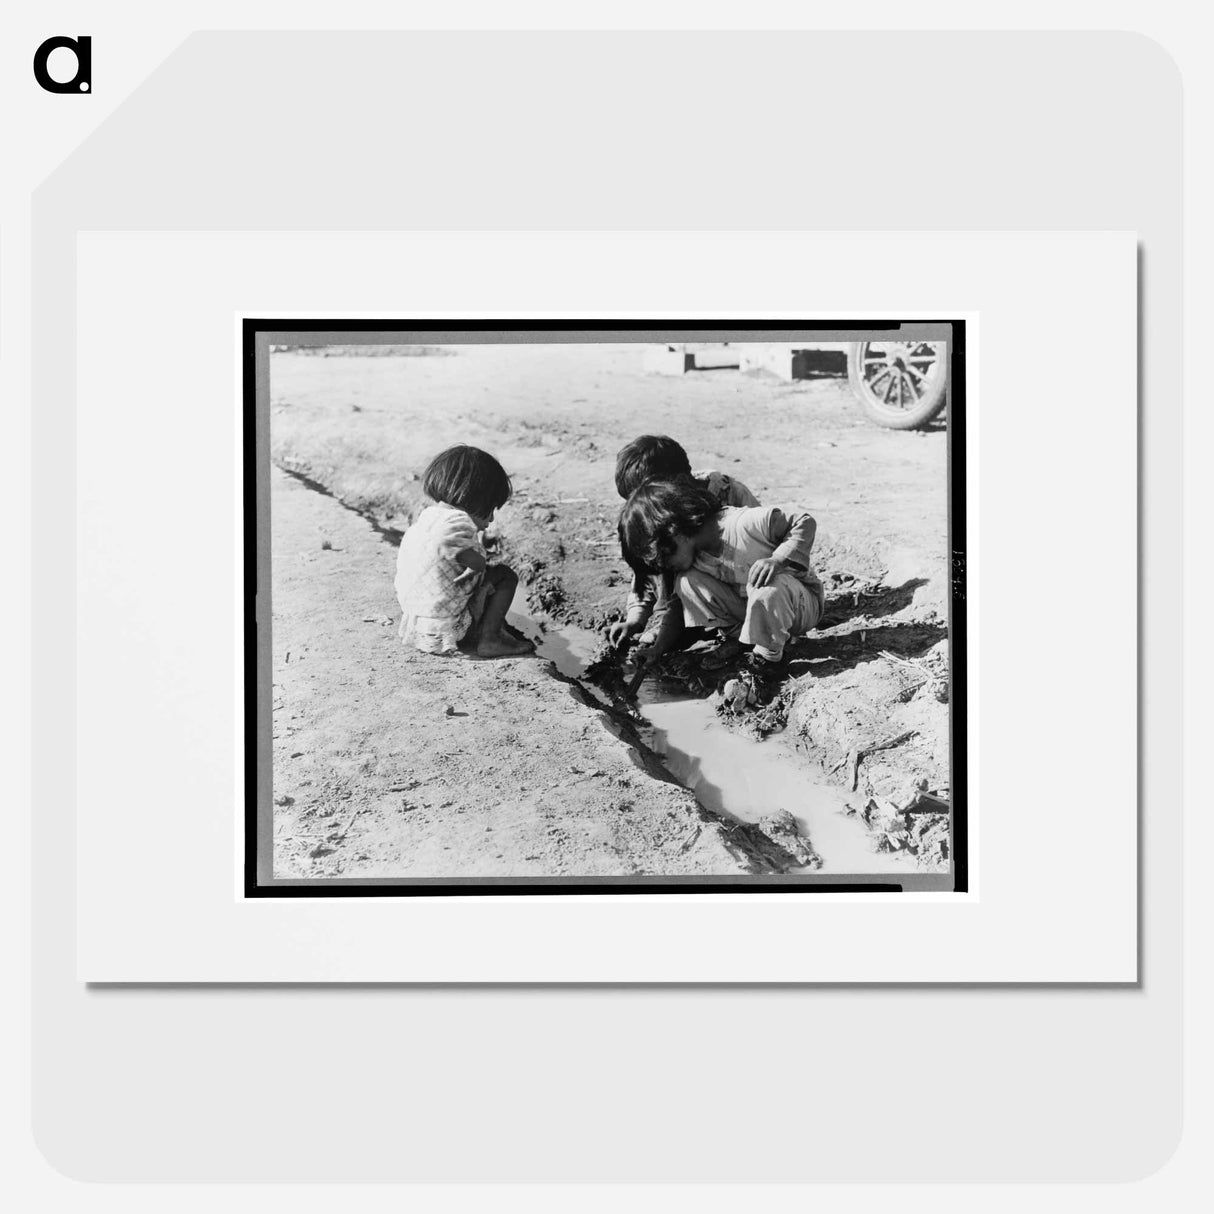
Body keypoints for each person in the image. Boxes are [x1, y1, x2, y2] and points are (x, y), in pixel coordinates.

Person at [618, 479, 825, 701]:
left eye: (664, 558)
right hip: (754, 607)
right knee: (687, 583)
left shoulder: (744, 524)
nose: (665, 568)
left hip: (800, 605)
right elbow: (677, 607)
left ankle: (767, 661)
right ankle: (741, 641)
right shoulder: (694, 555)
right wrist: (658, 649)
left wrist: (777, 560)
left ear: (675, 532)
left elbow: (803, 522)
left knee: (768, 588)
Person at [606, 435, 759, 652]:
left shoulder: (729, 497)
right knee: (664, 554)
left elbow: (767, 543)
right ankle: (676, 622)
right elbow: (647, 568)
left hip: (739, 592)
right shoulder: (656, 517)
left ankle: (716, 627)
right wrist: (635, 618)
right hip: (690, 594)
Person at [395, 445, 533, 659]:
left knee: (481, 580)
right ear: (477, 500)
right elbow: (446, 543)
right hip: (453, 627)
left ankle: (490, 628)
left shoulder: (428, 518)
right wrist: (476, 564)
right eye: (491, 510)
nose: (491, 520)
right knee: (505, 576)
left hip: (420, 623)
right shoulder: (458, 520)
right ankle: (490, 639)